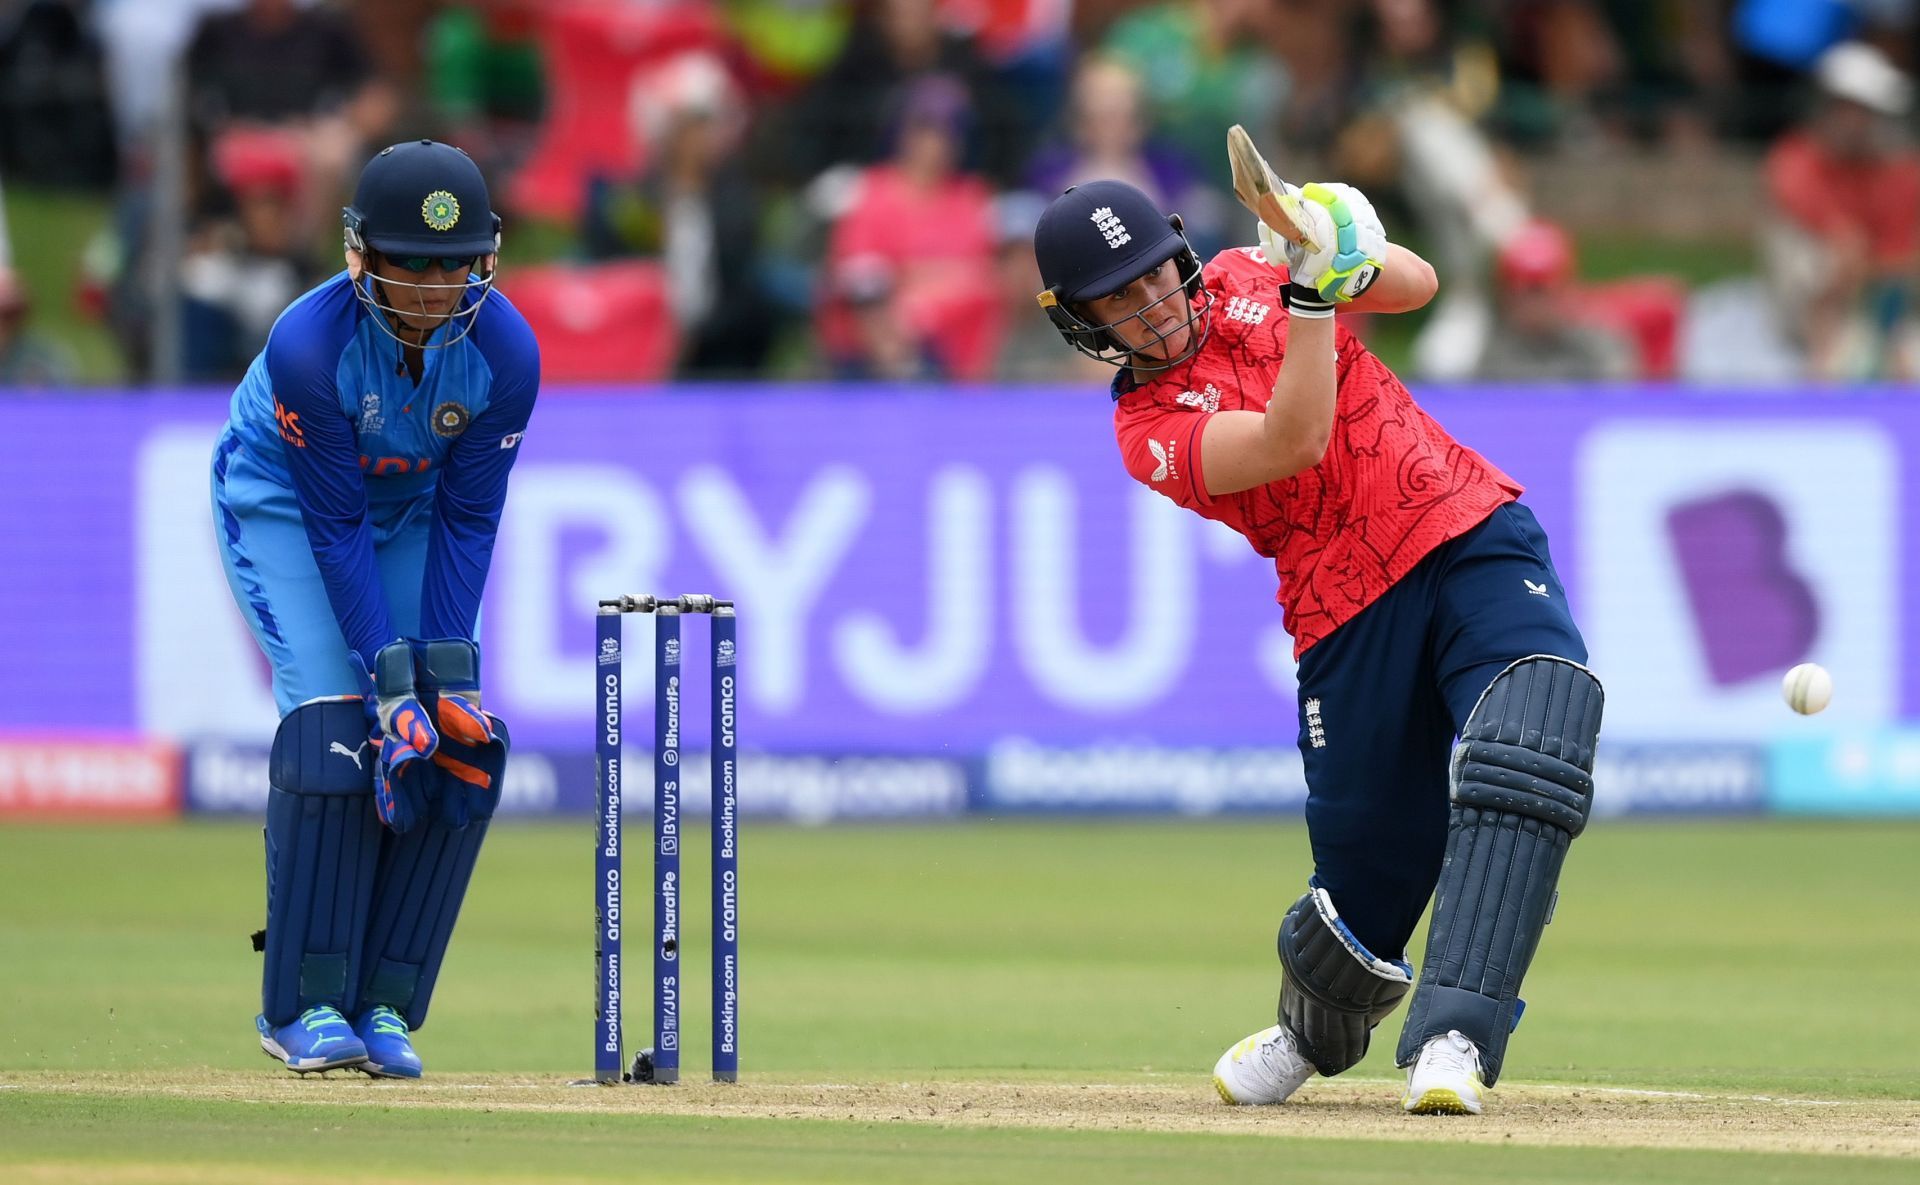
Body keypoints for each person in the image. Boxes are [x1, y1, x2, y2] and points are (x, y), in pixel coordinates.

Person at [1030, 170, 1603, 1114]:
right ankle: (1309, 1031)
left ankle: (1455, 1033)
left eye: (1153, 278)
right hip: (1342, 609)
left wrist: (1336, 240)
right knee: (1368, 881)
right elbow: (1296, 438)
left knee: (1533, 732)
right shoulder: (1149, 429)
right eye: (1119, 300)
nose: (1151, 307)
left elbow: (1416, 284)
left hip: (1464, 525)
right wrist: (1308, 295)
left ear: (1180, 257)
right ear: (1082, 322)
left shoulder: (1247, 270)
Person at [209, 139, 537, 1078]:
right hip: (286, 504)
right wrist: (386, 681)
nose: (437, 284)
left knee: (452, 731)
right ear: (361, 254)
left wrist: (437, 676)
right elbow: (335, 523)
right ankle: (302, 1002)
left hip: (416, 508)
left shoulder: (506, 352)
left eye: (455, 261)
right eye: (413, 260)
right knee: (335, 729)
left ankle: (385, 1000)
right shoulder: (309, 346)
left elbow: (471, 516)